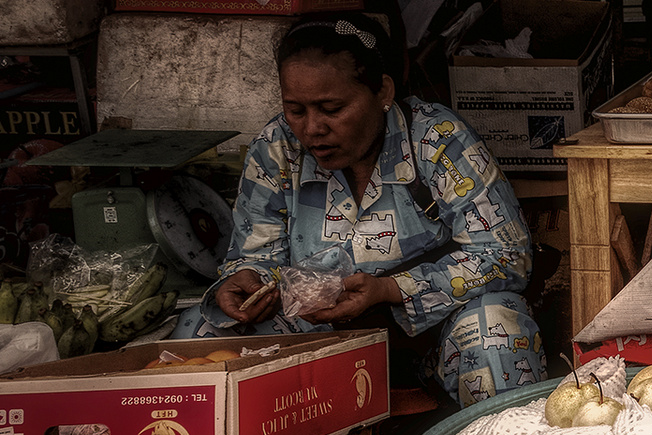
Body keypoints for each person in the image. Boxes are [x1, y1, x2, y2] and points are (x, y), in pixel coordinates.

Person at [174, 12, 545, 407]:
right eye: (296, 110)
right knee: (196, 334)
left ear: (383, 92)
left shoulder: (436, 140)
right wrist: (247, 280)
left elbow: (506, 255)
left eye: (331, 108)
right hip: (315, 336)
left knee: (495, 329)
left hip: (431, 336)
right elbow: (256, 256)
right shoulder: (276, 148)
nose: (312, 128)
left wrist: (388, 290)